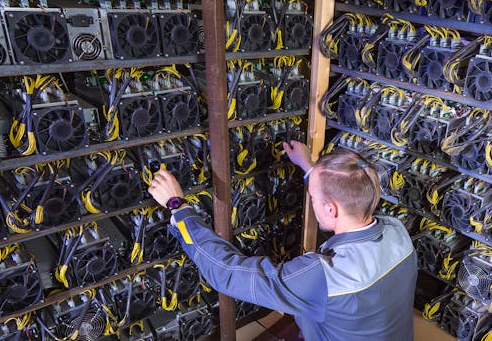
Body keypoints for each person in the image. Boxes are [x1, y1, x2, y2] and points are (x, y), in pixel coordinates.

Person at [147, 140, 417, 341]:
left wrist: (178, 207)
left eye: (313, 198)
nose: (312, 201)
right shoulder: (398, 233)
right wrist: (311, 169)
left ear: (331, 209)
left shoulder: (323, 277)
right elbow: (345, 195)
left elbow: (226, 273)